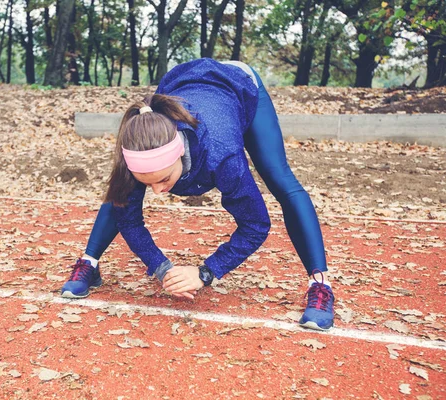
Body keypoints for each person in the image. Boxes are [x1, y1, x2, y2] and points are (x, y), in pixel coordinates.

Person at [61, 58, 335, 331]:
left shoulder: (222, 155)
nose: (157, 190)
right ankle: (89, 262)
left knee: (281, 180)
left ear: (180, 153)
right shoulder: (144, 138)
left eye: (163, 179)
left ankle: (320, 284)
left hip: (238, 85)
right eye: (147, 182)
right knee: (122, 192)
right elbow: (128, 218)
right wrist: (161, 267)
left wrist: (206, 272)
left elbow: (255, 224)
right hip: (185, 81)